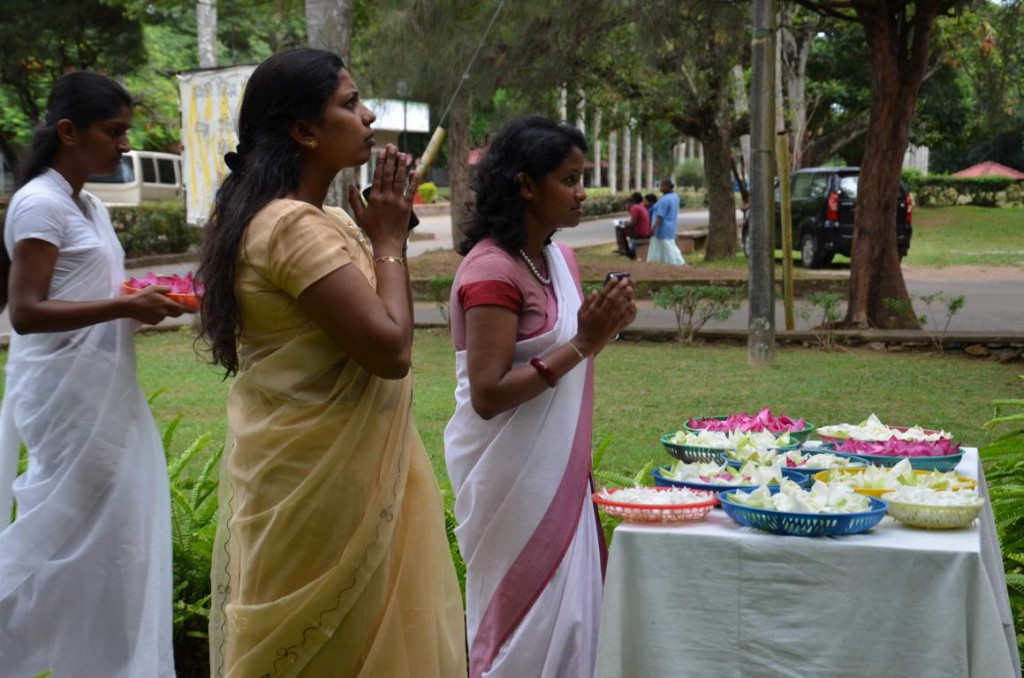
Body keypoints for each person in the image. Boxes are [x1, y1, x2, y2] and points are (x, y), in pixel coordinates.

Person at [196, 48, 465, 677]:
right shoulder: (291, 227)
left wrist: (381, 238)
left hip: (329, 474)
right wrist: (390, 242)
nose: (368, 115)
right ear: (304, 130)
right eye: (349, 103)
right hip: (320, 488)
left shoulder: (321, 220)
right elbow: (391, 349)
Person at [0, 71, 183, 677]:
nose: (125, 145)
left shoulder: (89, 204)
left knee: (114, 543)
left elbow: (90, 290)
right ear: (69, 132)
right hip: (64, 397)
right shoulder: (41, 204)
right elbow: (26, 313)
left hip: (104, 387)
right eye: (114, 131)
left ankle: (101, 662)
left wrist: (141, 301)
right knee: (66, 536)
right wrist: (125, 307)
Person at [444, 115, 636, 678]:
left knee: (573, 627)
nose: (582, 193)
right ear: (526, 185)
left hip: (561, 479)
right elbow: (488, 394)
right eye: (569, 180)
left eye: (582, 179)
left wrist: (603, 329)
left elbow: (567, 358)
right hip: (510, 484)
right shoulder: (491, 271)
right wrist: (582, 343)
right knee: (519, 633)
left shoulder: (558, 259)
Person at [647, 179, 686, 265]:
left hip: (663, 228)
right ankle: (657, 261)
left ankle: (678, 262)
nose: (660, 187)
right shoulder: (675, 196)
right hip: (671, 226)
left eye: (662, 185)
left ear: (667, 187)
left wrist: (654, 228)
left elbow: (660, 216)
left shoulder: (665, 199)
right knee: (663, 245)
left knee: (668, 247)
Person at [613, 191, 651, 260]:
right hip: (645, 233)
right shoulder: (640, 207)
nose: (625, 207)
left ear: (629, 204)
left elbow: (633, 224)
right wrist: (625, 223)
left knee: (618, 228)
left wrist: (623, 224)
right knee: (622, 227)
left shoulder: (634, 208)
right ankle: (624, 248)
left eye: (626, 205)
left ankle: (623, 249)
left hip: (640, 234)